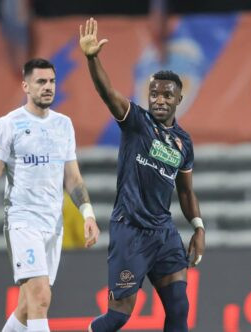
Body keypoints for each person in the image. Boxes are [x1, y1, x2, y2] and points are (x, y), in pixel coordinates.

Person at [79, 18, 205, 332]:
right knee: (118, 317)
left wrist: (198, 227)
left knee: (179, 308)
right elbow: (107, 92)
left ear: (179, 99)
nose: (159, 99)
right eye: (154, 94)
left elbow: (186, 192)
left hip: (163, 233)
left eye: (166, 95)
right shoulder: (136, 121)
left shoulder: (183, 142)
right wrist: (93, 59)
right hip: (130, 231)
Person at [0, 58, 100, 332]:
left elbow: (73, 178)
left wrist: (87, 214)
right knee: (40, 297)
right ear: (25, 86)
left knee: (27, 308)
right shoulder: (8, 125)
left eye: (51, 81)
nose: (48, 87)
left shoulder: (63, 125)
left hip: (53, 224)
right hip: (22, 222)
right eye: (41, 82)